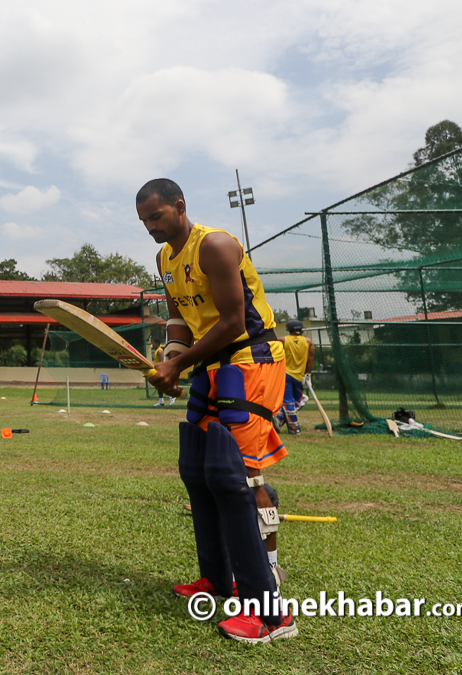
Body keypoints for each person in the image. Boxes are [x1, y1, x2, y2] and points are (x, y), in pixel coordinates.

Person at [137, 179, 296, 644]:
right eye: (144, 220)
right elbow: (179, 317)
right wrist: (172, 356)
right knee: (198, 470)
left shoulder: (217, 246)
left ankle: (271, 615)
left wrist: (178, 364)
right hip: (210, 365)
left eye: (157, 217)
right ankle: (218, 581)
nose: (150, 227)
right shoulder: (165, 258)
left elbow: (231, 321)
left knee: (235, 479)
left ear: (179, 206)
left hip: (251, 361)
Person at [277, 320, 314, 435]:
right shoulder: (309, 342)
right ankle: (294, 428)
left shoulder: (282, 340)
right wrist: (308, 374)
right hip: (299, 376)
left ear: (289, 329)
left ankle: (279, 417)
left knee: (298, 400)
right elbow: (310, 359)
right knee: (294, 401)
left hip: (285, 375)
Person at [152, 339, 169, 407]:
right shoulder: (156, 351)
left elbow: (161, 362)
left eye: (153, 343)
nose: (152, 344)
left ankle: (170, 395)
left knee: (159, 385)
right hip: (155, 370)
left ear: (157, 343)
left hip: (159, 371)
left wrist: (160, 371)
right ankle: (161, 401)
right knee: (157, 385)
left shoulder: (159, 351)